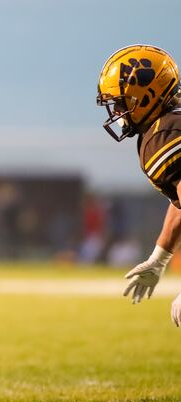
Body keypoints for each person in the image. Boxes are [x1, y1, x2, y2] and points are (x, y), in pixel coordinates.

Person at [96, 44, 181, 326]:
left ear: (147, 96)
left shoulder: (164, 136)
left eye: (121, 103)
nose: (117, 112)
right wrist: (159, 258)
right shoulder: (170, 122)